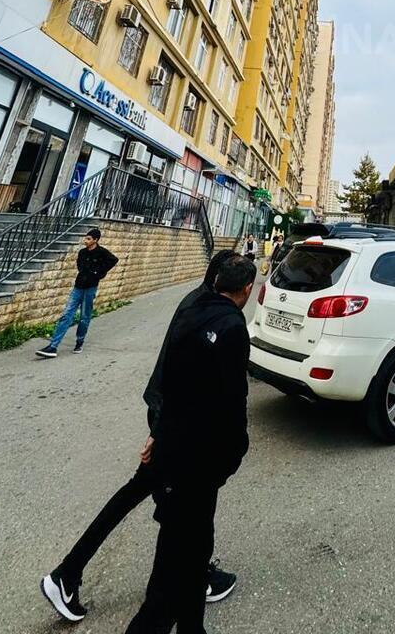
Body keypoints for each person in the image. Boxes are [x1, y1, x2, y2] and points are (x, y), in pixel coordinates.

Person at [40, 250, 243, 622]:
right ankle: (71, 573)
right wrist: (158, 431)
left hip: (169, 426)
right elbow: (172, 374)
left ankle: (70, 572)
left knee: (168, 504)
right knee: (186, 509)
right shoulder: (200, 310)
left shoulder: (200, 304)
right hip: (173, 430)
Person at [125, 255, 255, 633]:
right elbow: (233, 401)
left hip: (173, 448)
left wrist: (157, 432)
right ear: (247, 289)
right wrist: (234, 454)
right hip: (199, 460)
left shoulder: (191, 309)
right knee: (177, 559)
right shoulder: (232, 326)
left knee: (192, 548)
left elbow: (168, 382)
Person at [36, 229, 118, 359]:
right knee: (66, 315)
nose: (85, 241)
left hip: (90, 288)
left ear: (95, 240)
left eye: (89, 239)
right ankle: (53, 346)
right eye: (85, 238)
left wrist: (98, 273)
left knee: (84, 317)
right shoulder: (82, 252)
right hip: (78, 287)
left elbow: (113, 260)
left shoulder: (102, 252)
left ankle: (79, 342)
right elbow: (79, 266)